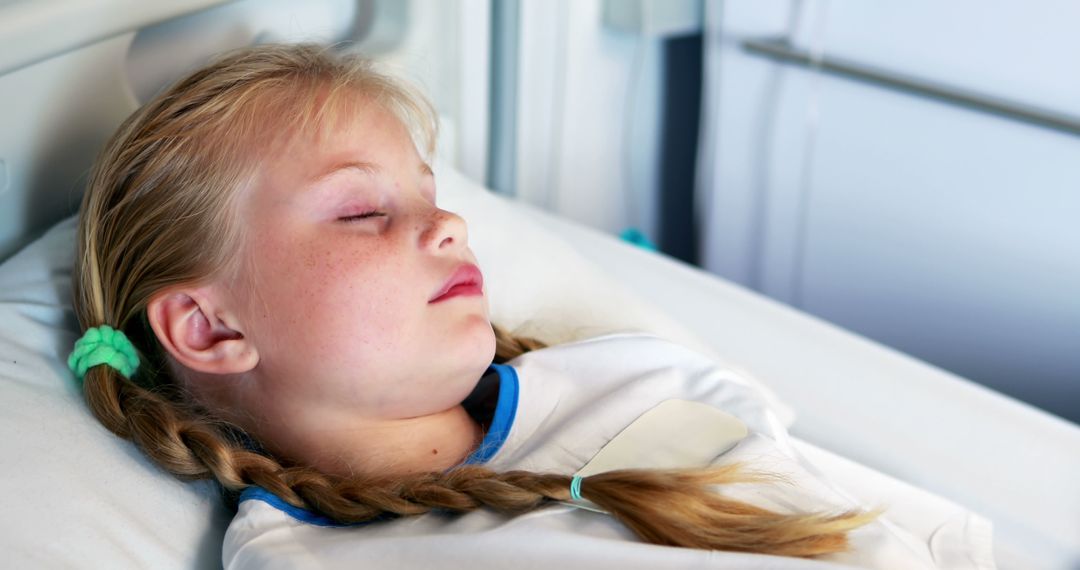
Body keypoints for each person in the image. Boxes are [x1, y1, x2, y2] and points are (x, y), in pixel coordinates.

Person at [68, 43, 891, 567]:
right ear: (211, 327)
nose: (451, 223)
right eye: (361, 212)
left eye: (430, 193)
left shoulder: (629, 376)